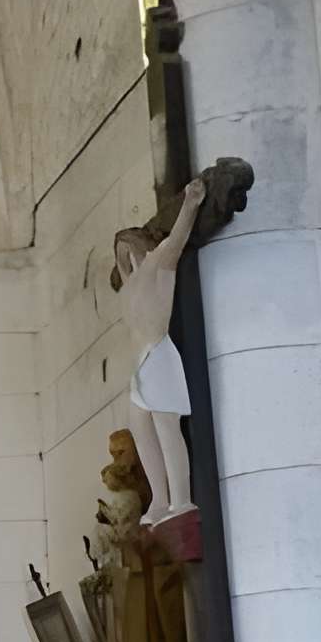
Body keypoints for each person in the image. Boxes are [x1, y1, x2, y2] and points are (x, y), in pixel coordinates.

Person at [110, 177, 208, 523]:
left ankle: (181, 498)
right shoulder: (129, 289)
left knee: (167, 427)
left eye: (129, 249)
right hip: (139, 367)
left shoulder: (158, 264)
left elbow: (178, 239)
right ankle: (159, 499)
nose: (127, 257)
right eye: (122, 254)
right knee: (142, 430)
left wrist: (191, 203)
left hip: (159, 354)